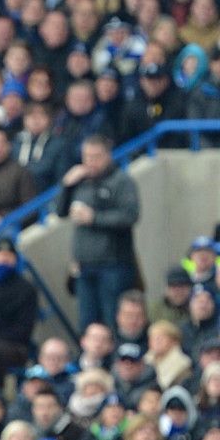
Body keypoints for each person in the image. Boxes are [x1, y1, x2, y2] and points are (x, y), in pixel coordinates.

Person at [57, 134, 140, 330]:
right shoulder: (80, 182)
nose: (91, 162)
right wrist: (66, 186)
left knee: (112, 321)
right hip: (84, 265)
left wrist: (94, 218)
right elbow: (60, 212)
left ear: (108, 156)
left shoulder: (122, 181)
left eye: (96, 156)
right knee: (87, 323)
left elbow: (130, 216)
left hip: (114, 264)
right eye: (87, 156)